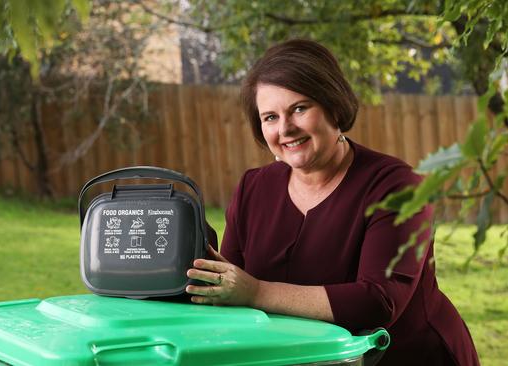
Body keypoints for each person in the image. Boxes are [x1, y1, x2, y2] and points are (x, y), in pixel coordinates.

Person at [186, 39, 479, 365]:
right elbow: (228, 289)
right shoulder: (253, 188)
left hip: (408, 357)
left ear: (334, 106)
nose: (285, 129)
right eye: (270, 117)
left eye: (299, 108)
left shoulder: (396, 186)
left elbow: (379, 302)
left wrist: (256, 292)